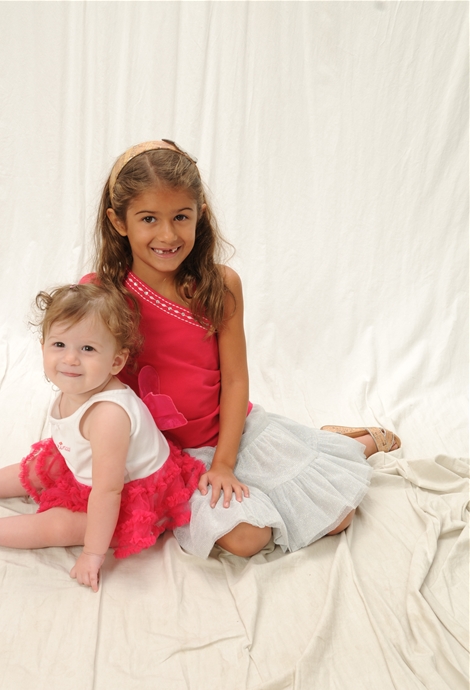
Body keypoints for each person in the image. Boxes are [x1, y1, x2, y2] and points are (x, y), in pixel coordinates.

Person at [80, 139, 401, 560]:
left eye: (181, 217)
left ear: (200, 214)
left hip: (230, 436)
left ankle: (356, 445)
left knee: (337, 516)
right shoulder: (100, 294)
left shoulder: (219, 285)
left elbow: (234, 380)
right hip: (162, 457)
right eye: (149, 219)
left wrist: (224, 464)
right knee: (248, 540)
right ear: (118, 221)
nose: (168, 235)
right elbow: (89, 385)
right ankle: (317, 450)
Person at [0, 283, 205, 590]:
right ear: (43, 347)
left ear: (116, 362)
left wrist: (92, 554)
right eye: (59, 344)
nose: (70, 359)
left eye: (87, 349)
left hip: (129, 493)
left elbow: (108, 491)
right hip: (93, 467)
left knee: (60, 525)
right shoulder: (76, 387)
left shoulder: (108, 416)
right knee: (37, 467)